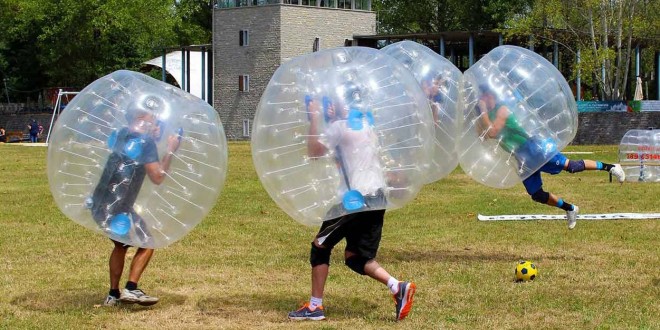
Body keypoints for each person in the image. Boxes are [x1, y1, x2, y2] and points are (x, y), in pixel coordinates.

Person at [287, 92, 416, 322]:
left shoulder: (339, 127)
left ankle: (315, 307)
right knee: (355, 256)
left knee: (320, 247)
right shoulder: (366, 123)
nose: (329, 106)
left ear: (342, 102)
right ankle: (397, 287)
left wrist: (315, 116)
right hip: (376, 197)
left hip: (354, 201)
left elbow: (314, 151)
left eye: (331, 101)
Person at [476, 85, 625, 229]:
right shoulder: (488, 116)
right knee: (537, 194)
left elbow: (493, 132)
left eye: (484, 96)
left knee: (572, 167)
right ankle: (570, 209)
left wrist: (482, 111)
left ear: (491, 95)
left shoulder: (502, 110)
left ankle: (611, 167)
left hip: (533, 148)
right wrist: (477, 115)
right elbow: (483, 136)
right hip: (521, 157)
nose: (482, 99)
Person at [90, 102, 181, 307]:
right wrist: (170, 150)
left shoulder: (122, 134)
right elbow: (157, 176)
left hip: (102, 203)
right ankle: (131, 289)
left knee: (120, 245)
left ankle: (113, 295)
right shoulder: (144, 142)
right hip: (120, 206)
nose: (155, 121)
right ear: (140, 118)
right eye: (152, 118)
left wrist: (154, 135)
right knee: (148, 243)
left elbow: (133, 154)